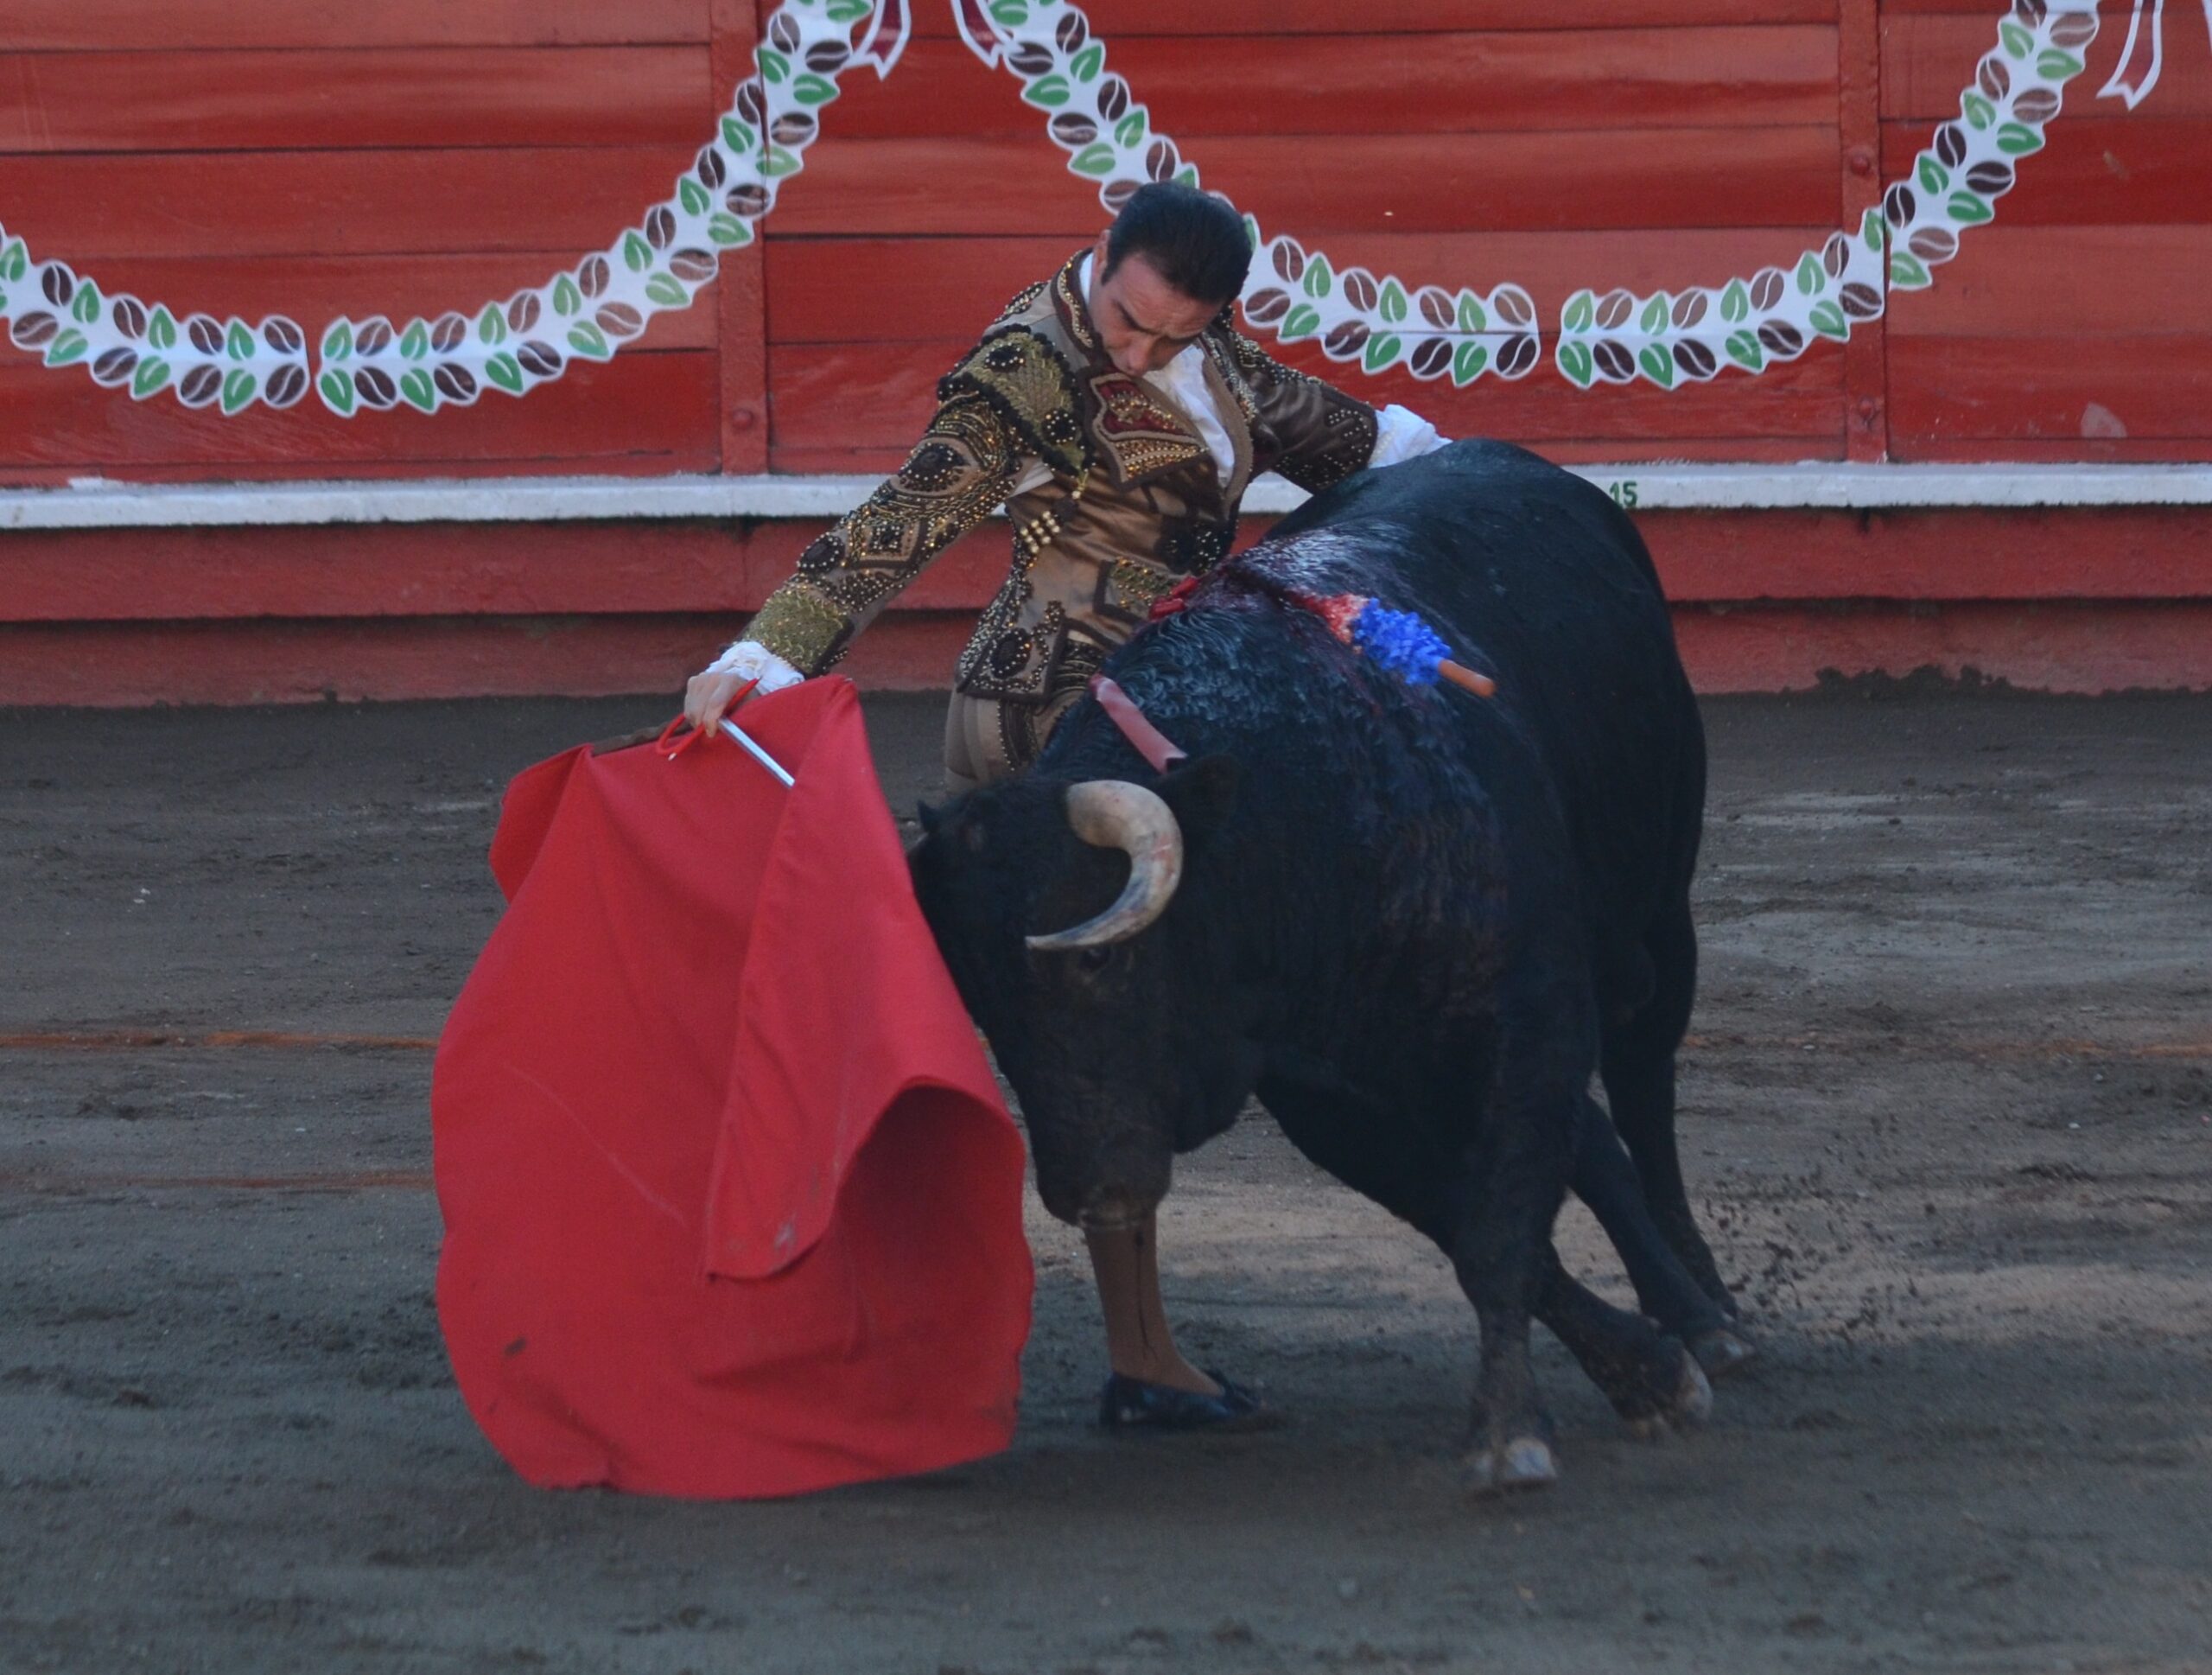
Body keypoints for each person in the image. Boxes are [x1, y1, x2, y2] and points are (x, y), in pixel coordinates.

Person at [684, 182, 1448, 1430]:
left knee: (1135, 1014)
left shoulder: (1213, 355)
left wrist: (1496, 491)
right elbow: (899, 523)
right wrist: (765, 657)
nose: (1136, 349)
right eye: (1127, 317)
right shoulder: (1025, 374)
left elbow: (1349, 443)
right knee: (1099, 1039)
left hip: (1161, 707)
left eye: (1169, 335)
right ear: (1102, 258)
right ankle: (1135, 1356)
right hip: (1045, 727)